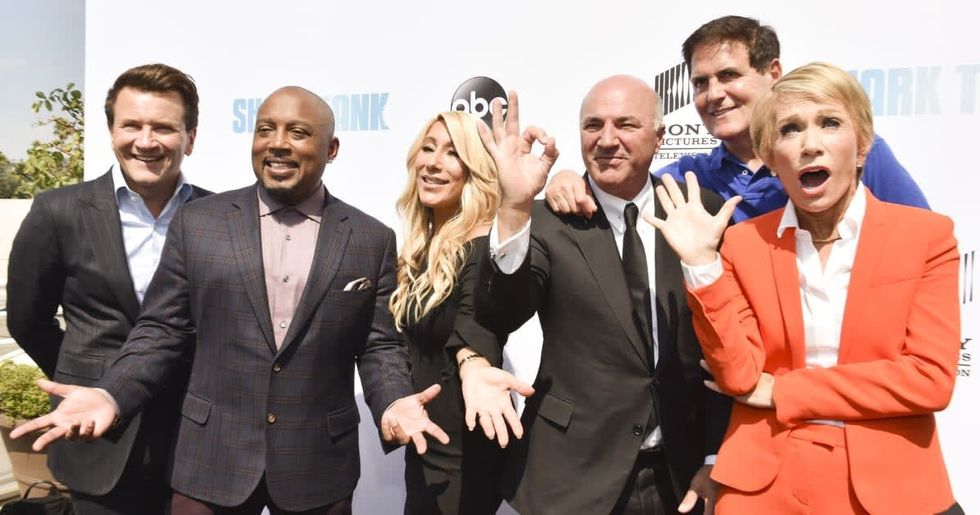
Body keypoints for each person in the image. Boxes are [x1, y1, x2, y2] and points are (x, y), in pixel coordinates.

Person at [11, 86, 448, 515]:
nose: (278, 143)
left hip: (317, 463)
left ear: (331, 148)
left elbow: (378, 344)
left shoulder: (370, 238)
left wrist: (392, 399)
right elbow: (162, 330)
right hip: (210, 460)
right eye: (265, 130)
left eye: (297, 132)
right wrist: (111, 395)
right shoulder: (199, 222)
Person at [646, 62, 961, 514]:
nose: (810, 145)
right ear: (772, 158)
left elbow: (929, 380)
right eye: (789, 130)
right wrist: (701, 265)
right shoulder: (741, 242)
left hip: (893, 487)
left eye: (829, 123)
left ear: (862, 144)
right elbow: (737, 376)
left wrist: (783, 392)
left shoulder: (926, 236)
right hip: (762, 488)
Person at [464, 77, 731, 515]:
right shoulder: (548, 220)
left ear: (660, 136)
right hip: (574, 477)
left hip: (683, 476)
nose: (607, 140)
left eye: (625, 124)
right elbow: (499, 310)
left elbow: (723, 341)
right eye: (593, 126)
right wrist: (514, 207)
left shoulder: (697, 207)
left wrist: (714, 456)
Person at [6, 63, 211, 515]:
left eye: (163, 127)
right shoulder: (57, 212)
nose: (145, 140)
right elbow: (26, 318)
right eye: (131, 125)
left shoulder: (219, 217)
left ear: (190, 138)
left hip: (195, 440)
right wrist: (84, 375)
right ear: (111, 130)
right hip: (95, 442)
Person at [544, 15, 929, 221]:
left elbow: (922, 244)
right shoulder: (688, 178)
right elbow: (623, 190)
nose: (714, 95)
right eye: (700, 82)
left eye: (729, 76)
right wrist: (571, 181)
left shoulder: (856, 154)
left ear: (773, 72)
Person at [390, 111, 518, 514]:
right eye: (428, 149)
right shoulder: (421, 250)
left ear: (473, 171)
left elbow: (476, 323)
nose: (433, 162)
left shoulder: (484, 248)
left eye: (452, 154)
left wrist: (471, 361)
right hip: (425, 440)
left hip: (464, 454)